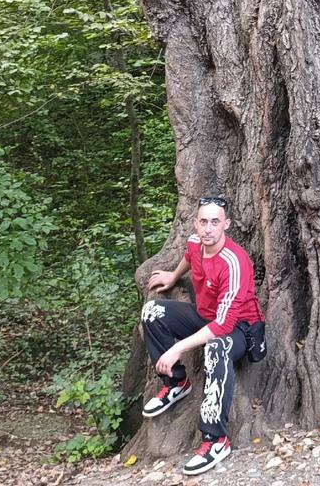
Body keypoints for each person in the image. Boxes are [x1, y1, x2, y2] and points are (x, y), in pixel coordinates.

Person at [139, 195, 266, 476]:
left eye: (215, 222)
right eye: (204, 222)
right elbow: (188, 256)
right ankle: (176, 383)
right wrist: (173, 276)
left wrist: (177, 349)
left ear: (226, 225)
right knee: (152, 312)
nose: (208, 229)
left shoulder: (235, 262)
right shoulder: (196, 243)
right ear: (196, 223)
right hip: (205, 317)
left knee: (216, 348)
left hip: (239, 330)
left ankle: (215, 439)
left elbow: (223, 326)